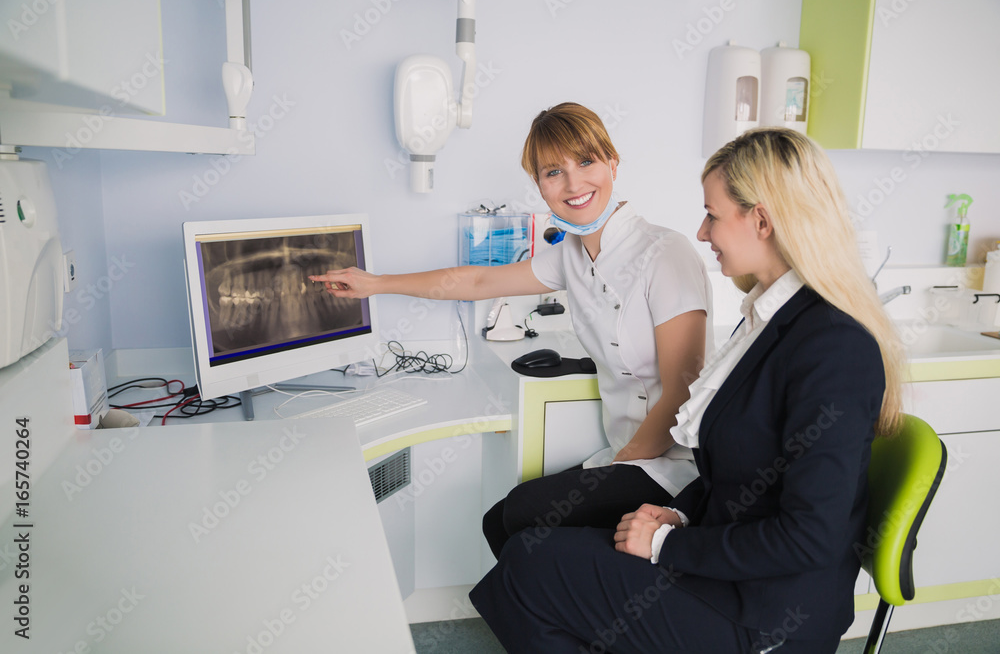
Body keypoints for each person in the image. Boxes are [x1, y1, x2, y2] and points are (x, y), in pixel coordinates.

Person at [468, 127, 906, 654]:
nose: (702, 232)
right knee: (532, 550)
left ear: (761, 220)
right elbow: (737, 473)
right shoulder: (767, 320)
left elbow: (808, 538)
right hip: (728, 570)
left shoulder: (833, 346)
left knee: (532, 567)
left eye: (713, 215)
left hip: (768, 613)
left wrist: (668, 544)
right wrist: (676, 514)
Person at [310, 102, 713, 559]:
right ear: (540, 186)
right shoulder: (572, 257)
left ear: (612, 164)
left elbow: (683, 391)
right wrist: (377, 284)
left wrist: (618, 467)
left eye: (586, 162)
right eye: (552, 172)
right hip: (629, 453)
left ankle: (585, 610)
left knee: (521, 516)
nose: (574, 183)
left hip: (675, 463)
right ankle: (563, 616)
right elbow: (478, 281)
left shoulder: (666, 253)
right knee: (497, 522)